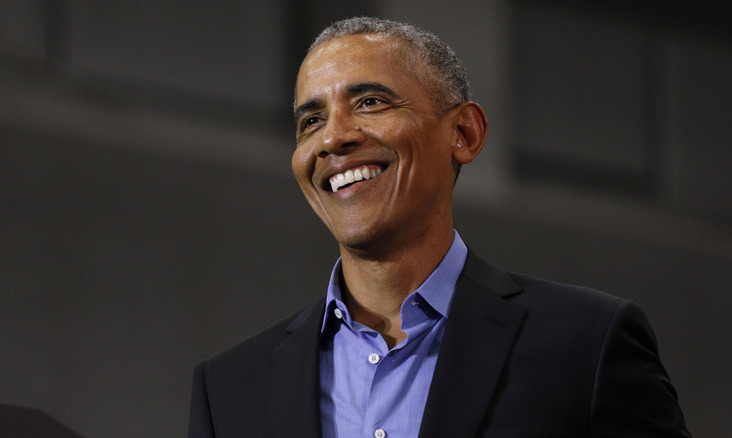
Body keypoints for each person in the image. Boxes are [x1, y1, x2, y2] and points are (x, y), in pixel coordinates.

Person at [188, 17, 691, 438]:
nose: (333, 138)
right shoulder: (230, 388)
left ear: (464, 133)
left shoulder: (588, 342)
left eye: (370, 103)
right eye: (310, 121)